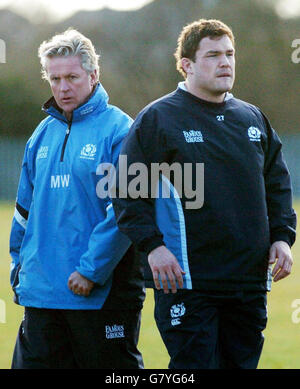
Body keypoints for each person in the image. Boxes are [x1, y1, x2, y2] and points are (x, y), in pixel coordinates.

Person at [112, 19, 297, 369]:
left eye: (229, 54)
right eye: (212, 55)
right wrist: (153, 246)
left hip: (248, 283)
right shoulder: (158, 119)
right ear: (186, 64)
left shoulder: (252, 119)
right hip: (187, 281)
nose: (225, 62)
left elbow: (277, 186)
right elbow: (126, 191)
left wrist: (282, 238)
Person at [9, 29, 145, 369]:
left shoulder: (121, 131)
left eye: (71, 77)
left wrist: (91, 270)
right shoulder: (41, 134)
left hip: (98, 294)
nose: (62, 88)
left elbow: (126, 210)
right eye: (54, 78)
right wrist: (18, 268)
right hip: (42, 293)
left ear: (93, 75)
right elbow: (24, 211)